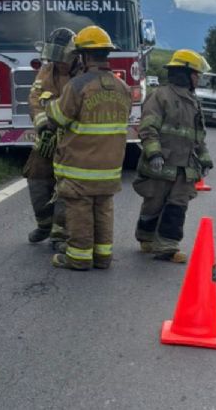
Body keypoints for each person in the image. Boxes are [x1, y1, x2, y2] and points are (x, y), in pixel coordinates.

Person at [46, 26, 131, 270]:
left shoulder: (77, 85)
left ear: (83, 56)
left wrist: (48, 104)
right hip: (111, 167)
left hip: (80, 166)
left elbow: (59, 119)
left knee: (80, 209)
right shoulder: (122, 88)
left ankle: (78, 258)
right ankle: (103, 257)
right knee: (104, 209)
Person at [133, 49, 214, 263]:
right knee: (153, 205)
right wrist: (154, 153)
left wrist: (204, 159)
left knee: (177, 207)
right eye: (196, 74)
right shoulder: (160, 96)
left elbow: (198, 136)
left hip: (184, 169)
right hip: (162, 165)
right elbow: (148, 128)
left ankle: (167, 247)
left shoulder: (193, 101)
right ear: (184, 73)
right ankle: (146, 237)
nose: (199, 78)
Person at [25, 27, 77, 246]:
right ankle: (44, 224)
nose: (57, 62)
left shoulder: (83, 74)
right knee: (36, 176)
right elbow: (35, 97)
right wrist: (41, 123)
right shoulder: (47, 70)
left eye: (61, 56)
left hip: (73, 142)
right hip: (47, 138)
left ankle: (60, 233)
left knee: (67, 186)